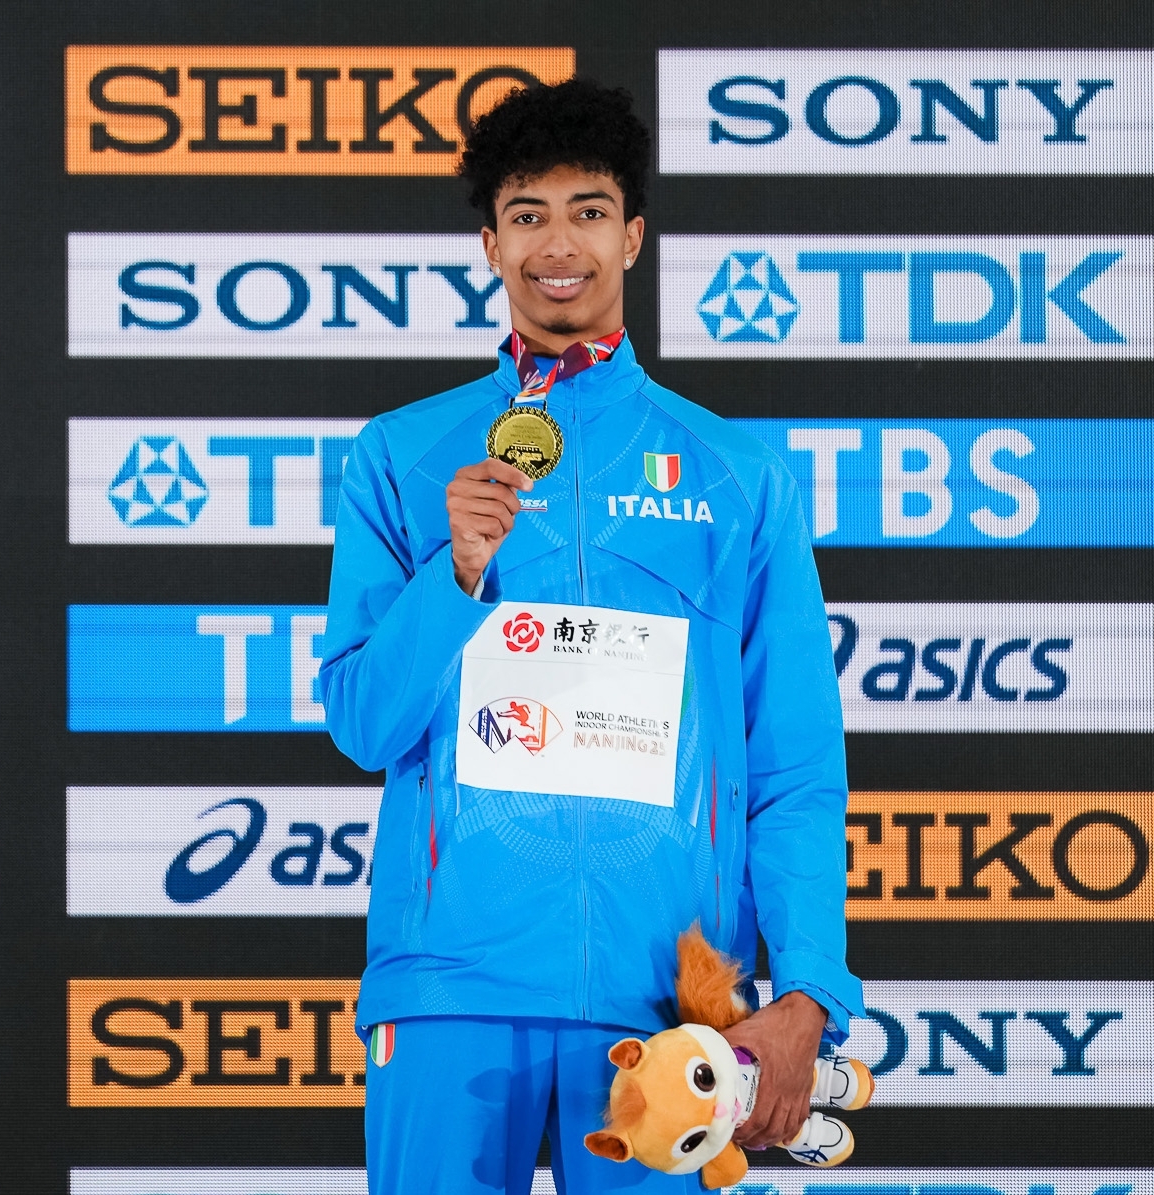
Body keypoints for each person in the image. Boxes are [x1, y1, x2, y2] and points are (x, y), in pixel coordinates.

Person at [319, 78, 865, 1195]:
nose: (557, 244)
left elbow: (796, 765)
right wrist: (452, 576)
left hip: (668, 1003)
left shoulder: (736, 474)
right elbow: (363, 722)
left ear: (633, 235)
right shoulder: (401, 454)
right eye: (527, 214)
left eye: (588, 210)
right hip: (450, 985)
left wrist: (808, 986)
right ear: (490, 243)